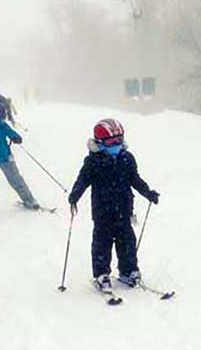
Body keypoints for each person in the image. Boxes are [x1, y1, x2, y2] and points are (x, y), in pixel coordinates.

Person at [68, 118, 160, 291]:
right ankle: (101, 275)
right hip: (103, 212)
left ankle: (128, 270)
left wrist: (148, 192)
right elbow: (83, 180)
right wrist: (74, 196)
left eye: (119, 139)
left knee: (127, 242)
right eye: (112, 141)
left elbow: (135, 179)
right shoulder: (93, 162)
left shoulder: (127, 158)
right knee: (102, 244)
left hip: (124, 210)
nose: (117, 144)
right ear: (100, 142)